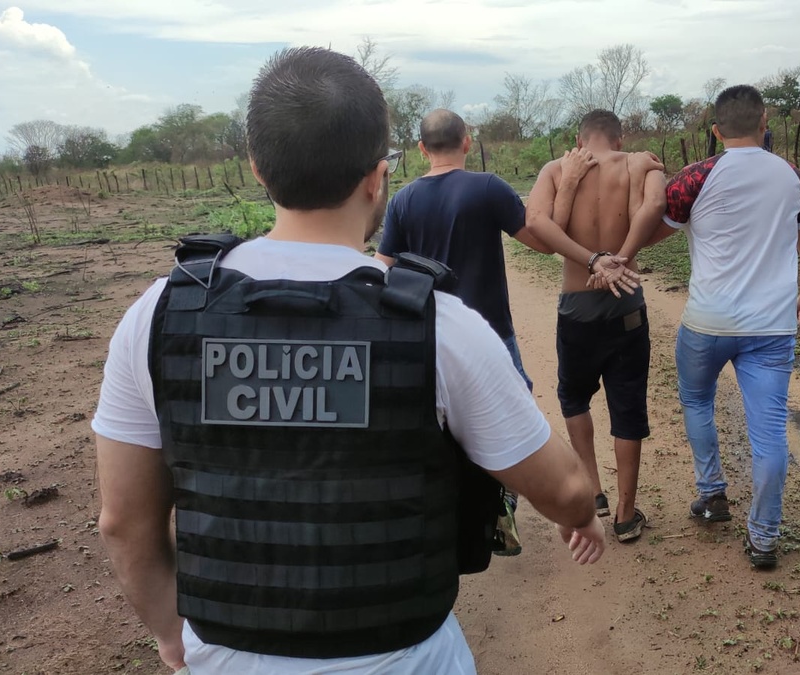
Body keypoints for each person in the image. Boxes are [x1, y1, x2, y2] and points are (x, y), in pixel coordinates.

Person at [92, 46, 604, 675]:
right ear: (378, 174)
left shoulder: (158, 315)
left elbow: (123, 521)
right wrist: (582, 516)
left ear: (257, 168)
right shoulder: (441, 325)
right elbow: (566, 490)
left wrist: (175, 638)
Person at [647, 84, 800, 569]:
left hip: (707, 323)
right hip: (772, 327)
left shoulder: (693, 179)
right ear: (765, 121)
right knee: (769, 433)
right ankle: (764, 537)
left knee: (697, 401)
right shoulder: (794, 179)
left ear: (716, 130)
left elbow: (655, 229)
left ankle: (712, 495)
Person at [374, 108, 553, 557]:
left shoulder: (403, 199)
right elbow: (538, 238)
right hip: (490, 330)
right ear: (468, 141)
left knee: (440, 422)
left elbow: (385, 266)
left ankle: (449, 508)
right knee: (513, 408)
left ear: (420, 149)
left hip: (427, 330)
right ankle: (500, 505)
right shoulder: (488, 187)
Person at [525, 110, 667, 543]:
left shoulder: (554, 170)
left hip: (576, 306)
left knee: (573, 395)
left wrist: (592, 261)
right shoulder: (642, 163)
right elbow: (659, 207)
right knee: (627, 404)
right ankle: (626, 514)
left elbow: (537, 224)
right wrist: (618, 260)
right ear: (619, 136)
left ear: (579, 138)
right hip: (626, 303)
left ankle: (593, 488)